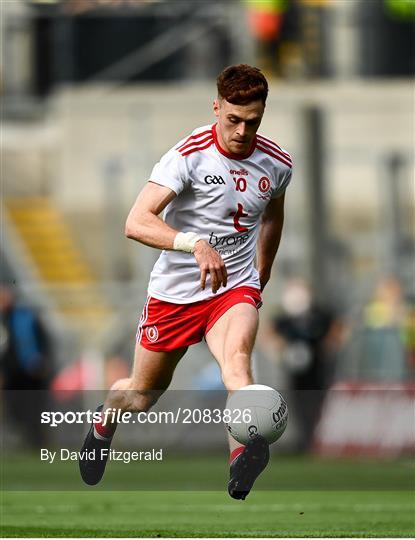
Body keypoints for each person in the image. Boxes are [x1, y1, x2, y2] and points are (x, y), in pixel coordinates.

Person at [79, 64, 293, 499]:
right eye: (232, 120)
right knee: (141, 396)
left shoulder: (277, 163)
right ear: (217, 108)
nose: (241, 131)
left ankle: (242, 460)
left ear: (263, 114)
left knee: (237, 363)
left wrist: (262, 272)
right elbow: (136, 222)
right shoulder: (189, 155)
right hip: (174, 294)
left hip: (232, 288)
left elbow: (272, 213)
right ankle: (104, 422)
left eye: (252, 122)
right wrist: (194, 244)